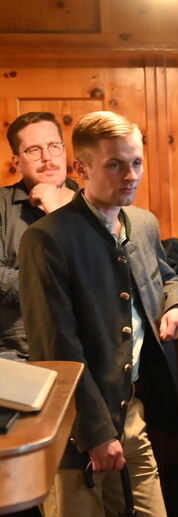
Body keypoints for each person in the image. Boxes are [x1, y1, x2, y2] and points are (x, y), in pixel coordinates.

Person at [18, 111, 178, 517]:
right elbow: (54, 350)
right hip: (70, 431)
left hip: (136, 418)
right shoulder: (46, 240)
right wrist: (96, 434)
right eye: (115, 164)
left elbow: (168, 275)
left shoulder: (142, 224)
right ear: (81, 168)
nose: (130, 175)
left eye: (137, 162)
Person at [1, 111, 78, 359]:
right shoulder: (2, 207)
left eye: (54, 146)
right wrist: (53, 286)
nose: (47, 158)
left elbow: (105, 274)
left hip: (89, 350)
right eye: (33, 150)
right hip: (19, 353)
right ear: (16, 161)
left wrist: (57, 212)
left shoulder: (94, 204)